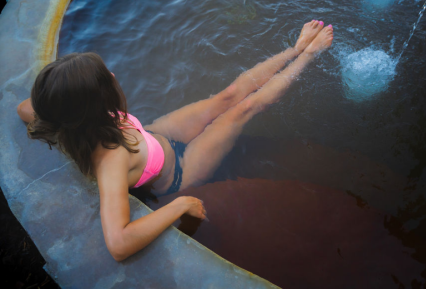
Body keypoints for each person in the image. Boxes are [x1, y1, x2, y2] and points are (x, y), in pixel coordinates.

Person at [17, 20, 334, 261]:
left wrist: (54, 100)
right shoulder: (111, 161)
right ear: (96, 102)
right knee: (243, 110)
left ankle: (295, 48)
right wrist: (180, 206)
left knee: (227, 96)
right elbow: (118, 244)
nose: (113, 76)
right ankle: (309, 56)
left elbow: (26, 109)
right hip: (178, 172)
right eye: (105, 78)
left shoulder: (67, 117)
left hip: (154, 136)